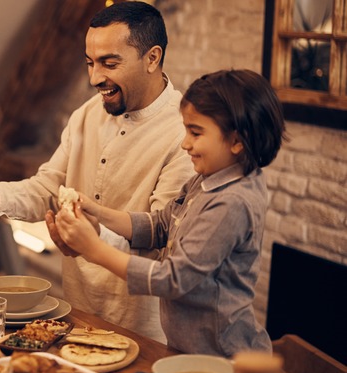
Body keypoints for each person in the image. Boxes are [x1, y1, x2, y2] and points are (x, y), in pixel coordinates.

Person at [0, 2, 193, 342]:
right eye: (90, 62)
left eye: (109, 63)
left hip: (143, 330)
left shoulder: (185, 132)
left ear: (152, 58)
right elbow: (47, 189)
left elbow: (164, 243)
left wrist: (91, 238)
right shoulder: (85, 115)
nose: (94, 78)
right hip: (78, 313)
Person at [55, 69, 285, 356]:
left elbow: (173, 280)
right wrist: (97, 212)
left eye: (196, 132)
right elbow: (161, 225)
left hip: (222, 359)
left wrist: (94, 250)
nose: (185, 143)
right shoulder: (207, 178)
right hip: (186, 350)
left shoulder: (233, 202)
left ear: (238, 141)